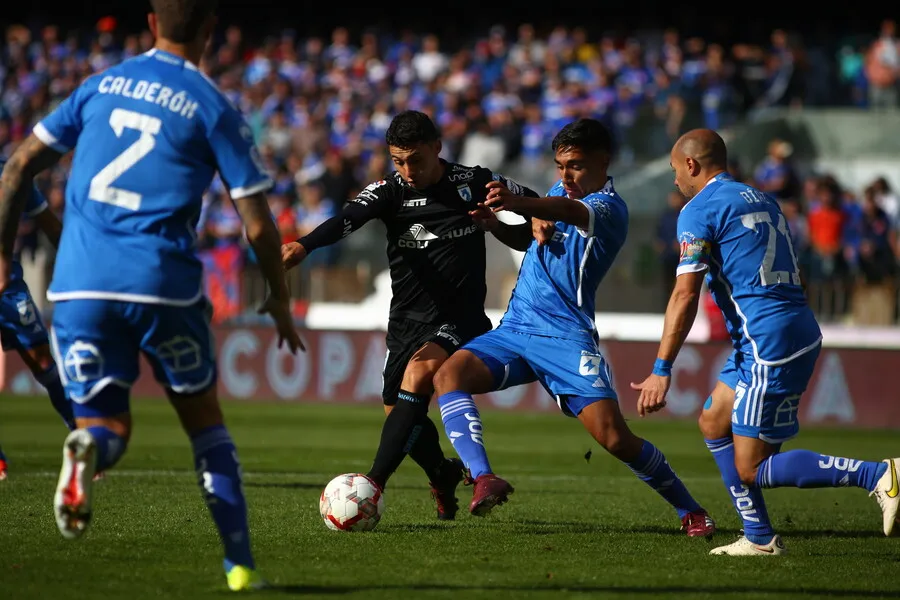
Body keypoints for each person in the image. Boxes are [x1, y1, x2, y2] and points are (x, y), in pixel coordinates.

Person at [0, 0, 302, 590]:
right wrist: (279, 294)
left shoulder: (95, 87)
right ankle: (239, 566)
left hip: (79, 286)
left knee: (106, 425)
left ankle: (85, 446)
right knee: (206, 427)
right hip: (161, 283)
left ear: (150, 22)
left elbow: (16, 171)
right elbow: (261, 227)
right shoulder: (214, 106)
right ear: (212, 29)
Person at [430, 118, 717, 537]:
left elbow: (567, 212)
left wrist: (519, 205)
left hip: (565, 337)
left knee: (615, 438)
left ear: (604, 161)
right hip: (516, 328)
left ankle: (691, 511)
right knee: (447, 374)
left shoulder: (608, 207)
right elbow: (536, 240)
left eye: (576, 166)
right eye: (560, 165)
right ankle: (483, 478)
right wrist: (500, 225)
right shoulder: (557, 193)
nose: (565, 176)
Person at [631, 128, 898, 556]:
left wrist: (661, 369)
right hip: (787, 328)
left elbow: (685, 293)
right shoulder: (762, 199)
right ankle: (758, 539)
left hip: (766, 341)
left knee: (751, 466)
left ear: (692, 165)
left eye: (675, 170)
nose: (675, 180)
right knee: (714, 420)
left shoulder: (698, 210)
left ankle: (878, 476)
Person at [282, 110, 547, 519]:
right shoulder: (389, 191)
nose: (407, 170)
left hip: (460, 317)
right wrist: (304, 245)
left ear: (437, 148)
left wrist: (530, 217)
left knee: (419, 374)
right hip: (406, 320)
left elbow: (530, 203)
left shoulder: (472, 181)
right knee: (401, 416)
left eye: (416, 160)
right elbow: (347, 220)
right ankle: (442, 473)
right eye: (398, 161)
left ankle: (372, 484)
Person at [0, 159, 76, 480]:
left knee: (42, 361)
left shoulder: (10, 173)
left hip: (8, 287)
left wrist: (80, 260)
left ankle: (80, 435)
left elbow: (48, 223)